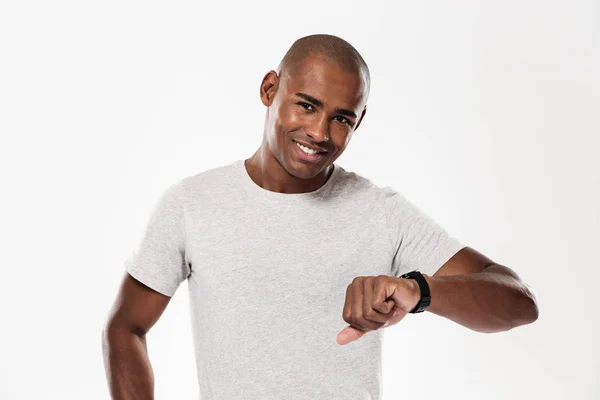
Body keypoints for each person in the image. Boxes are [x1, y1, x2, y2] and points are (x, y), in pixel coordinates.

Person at [102, 34, 539, 400]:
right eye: (306, 105)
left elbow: (518, 302)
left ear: (359, 121)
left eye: (341, 118)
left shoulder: (378, 212)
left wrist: (417, 290)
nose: (318, 133)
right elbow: (127, 327)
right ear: (270, 90)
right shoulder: (191, 204)